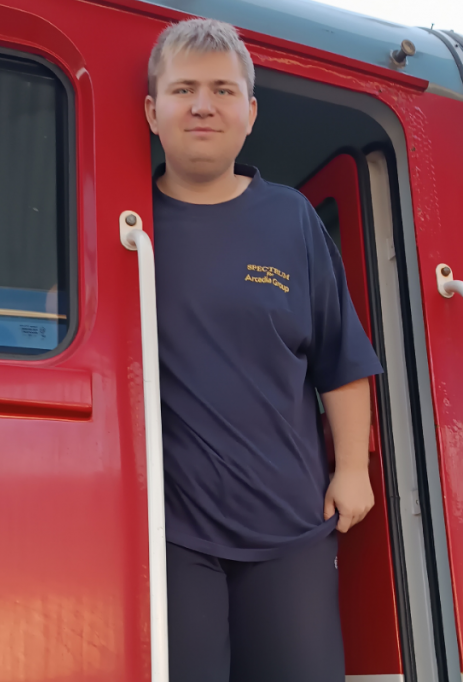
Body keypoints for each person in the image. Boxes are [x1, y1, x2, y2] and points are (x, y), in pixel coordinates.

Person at [144, 19, 383, 682]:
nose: (202, 105)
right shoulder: (123, 222)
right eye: (183, 88)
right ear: (152, 110)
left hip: (291, 524)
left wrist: (352, 471)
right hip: (172, 532)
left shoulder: (292, 219)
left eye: (223, 90)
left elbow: (341, 357)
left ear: (250, 113)